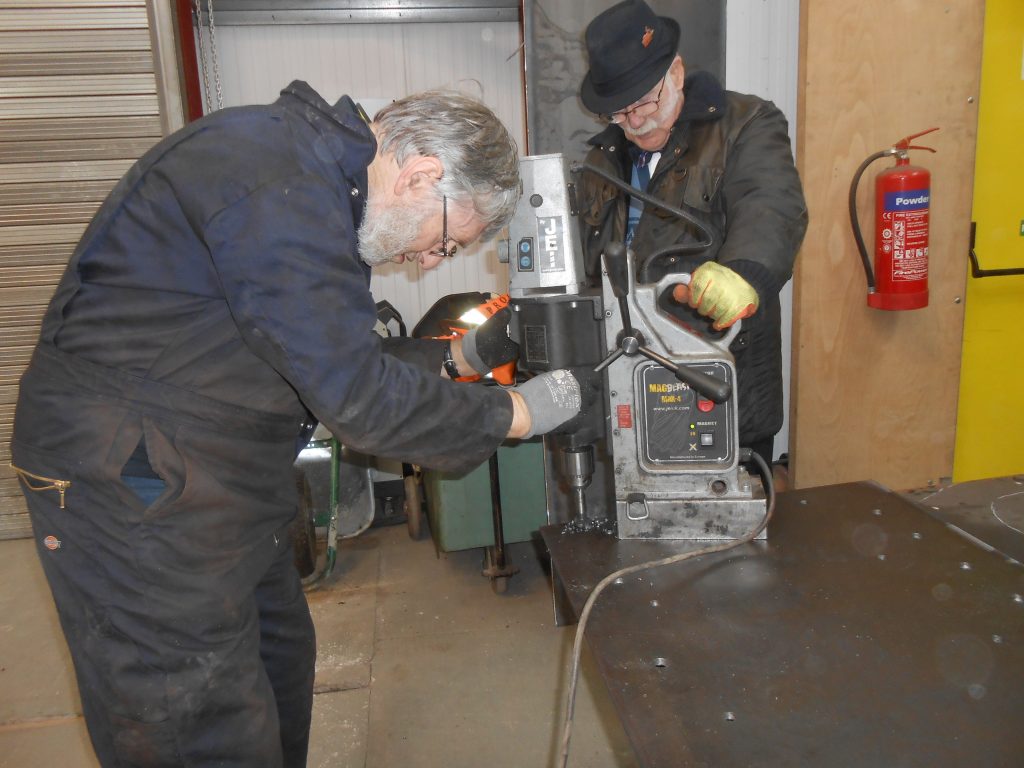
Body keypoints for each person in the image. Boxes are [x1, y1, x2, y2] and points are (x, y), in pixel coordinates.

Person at [10, 82, 582, 767]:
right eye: (446, 240)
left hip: (203, 469)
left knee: (279, 663)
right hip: (128, 481)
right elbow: (358, 397)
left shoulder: (311, 187)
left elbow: (326, 350)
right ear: (422, 173)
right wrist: (518, 413)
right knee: (194, 721)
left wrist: (463, 354)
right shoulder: (275, 178)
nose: (427, 260)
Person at [577, 0, 808, 465]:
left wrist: (743, 274)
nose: (634, 122)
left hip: (721, 368)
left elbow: (771, 204)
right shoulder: (601, 160)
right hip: (632, 376)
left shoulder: (746, 124)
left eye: (643, 102)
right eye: (618, 114)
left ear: (676, 73)